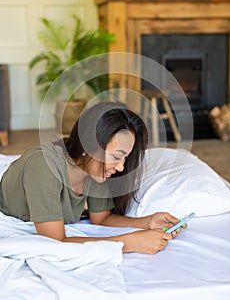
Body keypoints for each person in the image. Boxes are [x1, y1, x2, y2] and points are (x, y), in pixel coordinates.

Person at [0, 101, 183, 254]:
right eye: (116, 157)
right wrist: (127, 243)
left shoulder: (94, 170)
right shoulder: (43, 166)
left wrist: (146, 222)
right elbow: (54, 242)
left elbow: (101, 219)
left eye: (124, 158)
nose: (120, 167)